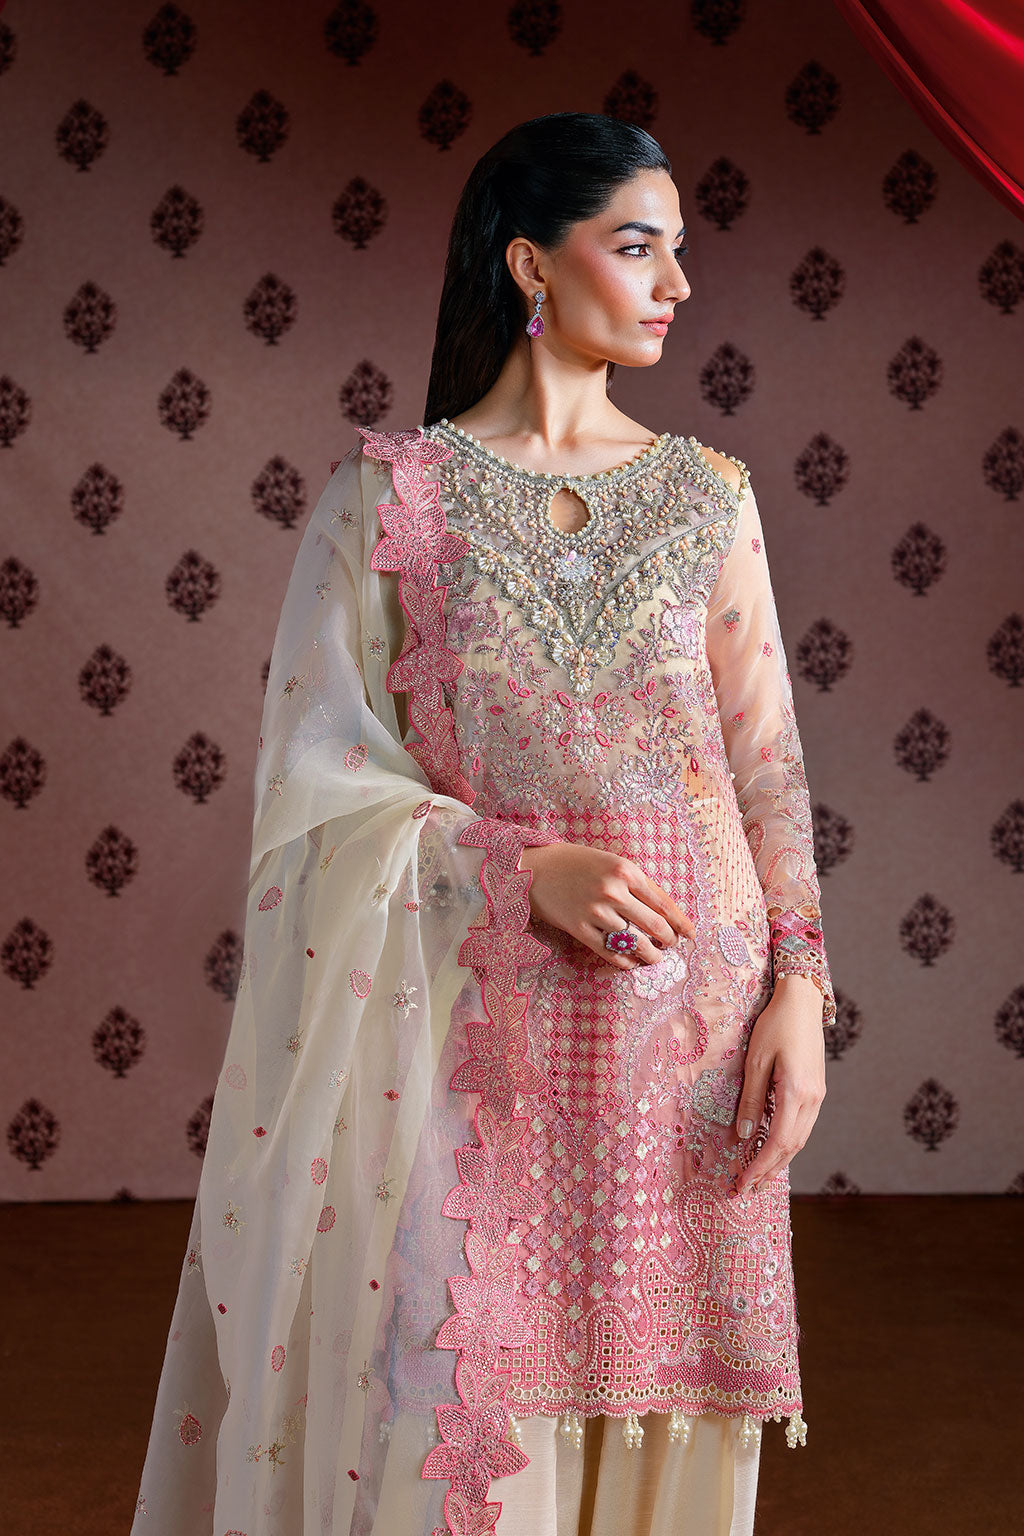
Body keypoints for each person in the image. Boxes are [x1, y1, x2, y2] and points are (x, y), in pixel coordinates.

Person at [131, 111, 834, 1536]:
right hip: (468, 1036)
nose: (676, 284)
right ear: (531, 262)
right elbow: (317, 783)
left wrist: (801, 994)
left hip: (688, 1040)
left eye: (679, 251)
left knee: (667, 1410)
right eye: (637, 247)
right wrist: (518, 865)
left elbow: (765, 765)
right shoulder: (393, 499)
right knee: (454, 1401)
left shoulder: (710, 499)